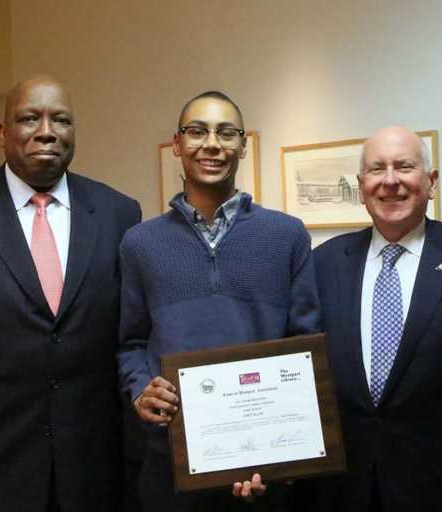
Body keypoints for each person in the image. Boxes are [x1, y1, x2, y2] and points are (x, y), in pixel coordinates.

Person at [0, 76, 141, 512]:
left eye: (61, 119)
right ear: (2, 133)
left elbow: (130, 335)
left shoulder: (119, 213)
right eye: (29, 118)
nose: (47, 130)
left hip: (93, 472)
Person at [305, 126, 442, 511]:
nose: (390, 181)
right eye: (377, 170)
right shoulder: (324, 264)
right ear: (361, 186)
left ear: (432, 182)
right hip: (342, 493)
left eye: (404, 166)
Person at [117, 90, 320, 511]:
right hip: (170, 460)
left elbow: (305, 346)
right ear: (177, 144)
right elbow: (131, 343)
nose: (212, 143)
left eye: (227, 133)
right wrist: (140, 390)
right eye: (197, 131)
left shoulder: (287, 236)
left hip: (265, 462)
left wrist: (282, 455)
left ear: (243, 146)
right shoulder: (140, 243)